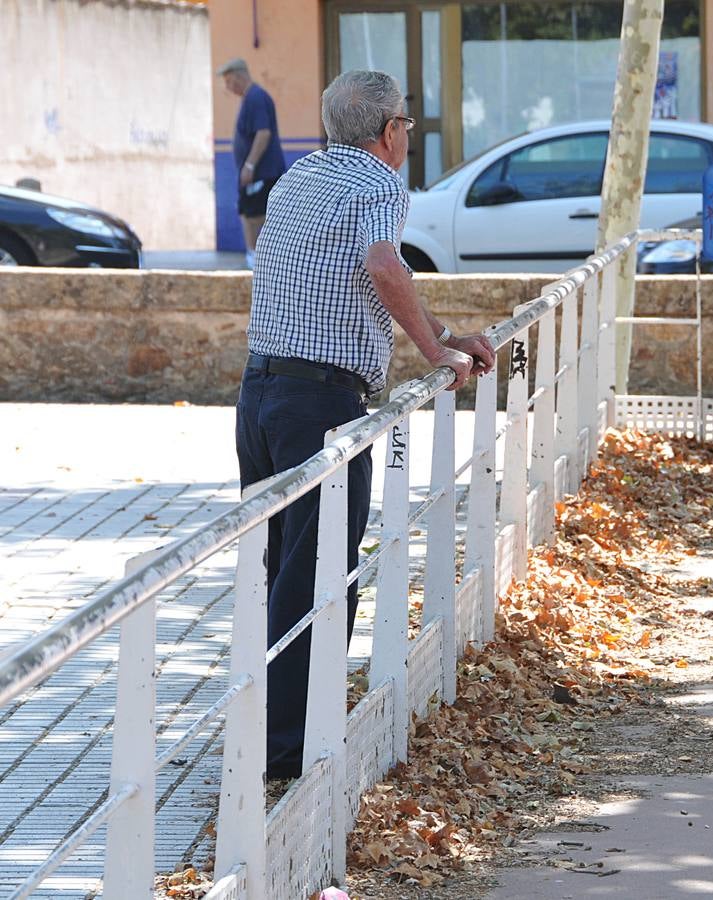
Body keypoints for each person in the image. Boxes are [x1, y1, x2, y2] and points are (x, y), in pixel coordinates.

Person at [235, 69, 496, 780]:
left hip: (259, 395)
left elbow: (367, 282)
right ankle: (290, 755)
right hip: (319, 406)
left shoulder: (298, 179)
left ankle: (263, 734)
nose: (405, 136)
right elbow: (384, 266)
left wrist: (445, 332)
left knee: (275, 573)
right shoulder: (379, 184)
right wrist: (435, 352)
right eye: (405, 124)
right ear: (388, 132)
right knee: (318, 579)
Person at [217, 57, 286, 269]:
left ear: (239, 76)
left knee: (257, 215)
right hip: (254, 172)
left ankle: (258, 260)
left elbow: (263, 133)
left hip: (262, 172)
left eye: (229, 81)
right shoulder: (250, 98)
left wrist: (250, 165)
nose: (227, 87)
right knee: (247, 213)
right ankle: (254, 256)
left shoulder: (256, 98)